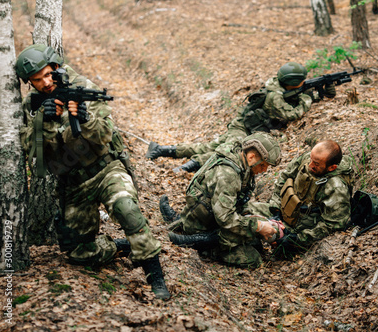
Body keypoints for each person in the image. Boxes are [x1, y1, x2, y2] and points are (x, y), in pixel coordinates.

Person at [16, 44, 171, 300]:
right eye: (37, 80)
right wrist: (44, 121)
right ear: (29, 83)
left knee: (127, 209)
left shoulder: (81, 87)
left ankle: (155, 275)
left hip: (106, 167)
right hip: (74, 183)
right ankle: (120, 246)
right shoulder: (32, 106)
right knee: (79, 253)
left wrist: (86, 120)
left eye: (47, 75)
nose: (45, 83)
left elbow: (103, 136)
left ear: (55, 67)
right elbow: (35, 153)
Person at [146, 62, 336, 172]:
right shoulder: (274, 96)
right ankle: (188, 167)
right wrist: (305, 99)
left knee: (208, 146)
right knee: (227, 150)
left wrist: (319, 92)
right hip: (243, 128)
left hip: (247, 126)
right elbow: (291, 114)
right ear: (293, 82)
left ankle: (162, 150)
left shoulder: (277, 87)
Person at [164, 132, 284, 268]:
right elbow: (225, 219)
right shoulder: (228, 174)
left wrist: (259, 220)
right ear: (251, 157)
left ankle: (183, 223)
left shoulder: (241, 160)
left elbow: (239, 201)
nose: (264, 170)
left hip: (212, 214)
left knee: (258, 236)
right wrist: (258, 226)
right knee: (253, 258)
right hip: (204, 224)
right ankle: (202, 244)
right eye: (263, 165)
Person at [268, 140, 355, 257]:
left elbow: (333, 224)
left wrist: (297, 239)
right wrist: (276, 209)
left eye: (316, 164)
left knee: (278, 248)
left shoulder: (336, 187)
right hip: (285, 209)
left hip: (306, 226)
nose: (310, 165)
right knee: (248, 214)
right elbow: (285, 177)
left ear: (331, 167)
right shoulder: (308, 159)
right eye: (311, 159)